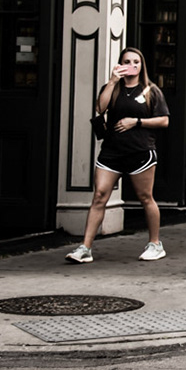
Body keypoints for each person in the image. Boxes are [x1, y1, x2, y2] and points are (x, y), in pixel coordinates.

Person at [66, 49, 170, 263]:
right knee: (99, 196)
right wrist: (113, 81)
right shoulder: (112, 89)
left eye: (135, 62)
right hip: (112, 151)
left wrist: (136, 121)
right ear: (119, 64)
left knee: (145, 197)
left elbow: (164, 120)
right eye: (126, 61)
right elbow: (99, 108)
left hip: (140, 151)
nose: (131, 65)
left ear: (141, 66)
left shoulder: (151, 91)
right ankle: (85, 248)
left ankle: (155, 244)